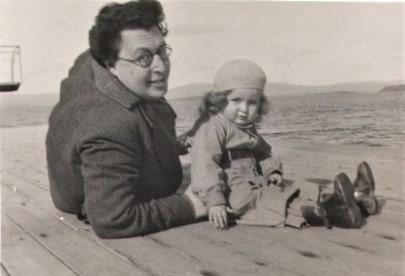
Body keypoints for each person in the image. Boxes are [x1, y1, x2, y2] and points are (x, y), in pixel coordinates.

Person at [46, 0, 207, 239]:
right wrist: (190, 205)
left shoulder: (98, 59)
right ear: (110, 64)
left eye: (162, 50)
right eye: (143, 58)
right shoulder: (110, 125)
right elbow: (112, 219)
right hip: (99, 196)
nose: (161, 66)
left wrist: (173, 144)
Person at [188, 59, 381, 230]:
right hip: (234, 190)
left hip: (256, 182)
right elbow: (205, 165)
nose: (244, 109)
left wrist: (272, 171)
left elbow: (264, 153)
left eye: (252, 103)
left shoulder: (248, 129)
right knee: (273, 202)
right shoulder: (212, 127)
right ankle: (336, 212)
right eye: (236, 100)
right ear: (219, 101)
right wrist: (215, 201)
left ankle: (358, 199)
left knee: (297, 189)